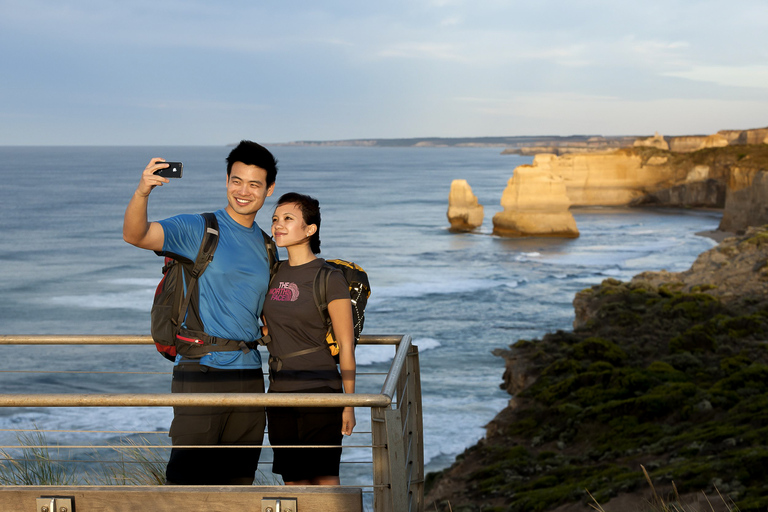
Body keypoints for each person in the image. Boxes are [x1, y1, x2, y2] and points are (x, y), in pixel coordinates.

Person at [122, 140, 277, 485]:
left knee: (238, 482)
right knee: (188, 482)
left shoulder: (268, 245)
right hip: (201, 371)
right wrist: (143, 191)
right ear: (226, 181)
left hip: (250, 375)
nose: (243, 191)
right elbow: (136, 234)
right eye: (237, 181)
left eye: (254, 184)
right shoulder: (200, 229)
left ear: (269, 189)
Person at [262, 192, 356, 485]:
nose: (278, 225)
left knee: (325, 481)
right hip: (278, 392)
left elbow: (346, 346)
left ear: (310, 229)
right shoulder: (274, 272)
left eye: (288, 219)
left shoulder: (329, 277)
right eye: (276, 219)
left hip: (319, 389)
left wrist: (349, 403)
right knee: (293, 482)